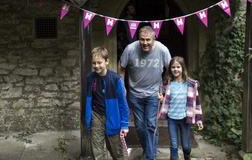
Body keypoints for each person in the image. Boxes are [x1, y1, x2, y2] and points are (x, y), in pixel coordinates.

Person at [118, 26, 171, 160]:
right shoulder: (130, 49)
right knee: (140, 126)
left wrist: (164, 88)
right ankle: (148, 149)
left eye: (148, 39)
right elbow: (121, 65)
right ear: (138, 39)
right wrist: (122, 85)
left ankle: (150, 156)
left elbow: (170, 69)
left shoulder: (162, 50)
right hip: (135, 94)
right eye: (142, 39)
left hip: (154, 94)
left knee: (151, 124)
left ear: (154, 39)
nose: (145, 42)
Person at [86, 46, 130, 160]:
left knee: (116, 152)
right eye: (94, 63)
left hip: (113, 118)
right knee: (97, 151)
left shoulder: (115, 79)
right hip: (96, 116)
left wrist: (124, 124)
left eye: (99, 62)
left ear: (107, 61)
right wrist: (88, 119)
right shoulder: (90, 78)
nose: (96, 66)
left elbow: (122, 103)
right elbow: (88, 100)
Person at [157, 56, 203, 160]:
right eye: (173, 67)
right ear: (170, 69)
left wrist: (199, 119)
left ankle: (187, 155)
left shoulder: (191, 84)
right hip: (172, 118)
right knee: (173, 145)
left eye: (178, 67)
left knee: (185, 146)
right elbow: (163, 98)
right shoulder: (167, 84)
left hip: (185, 119)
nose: (175, 69)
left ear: (183, 68)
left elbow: (197, 102)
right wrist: (161, 98)